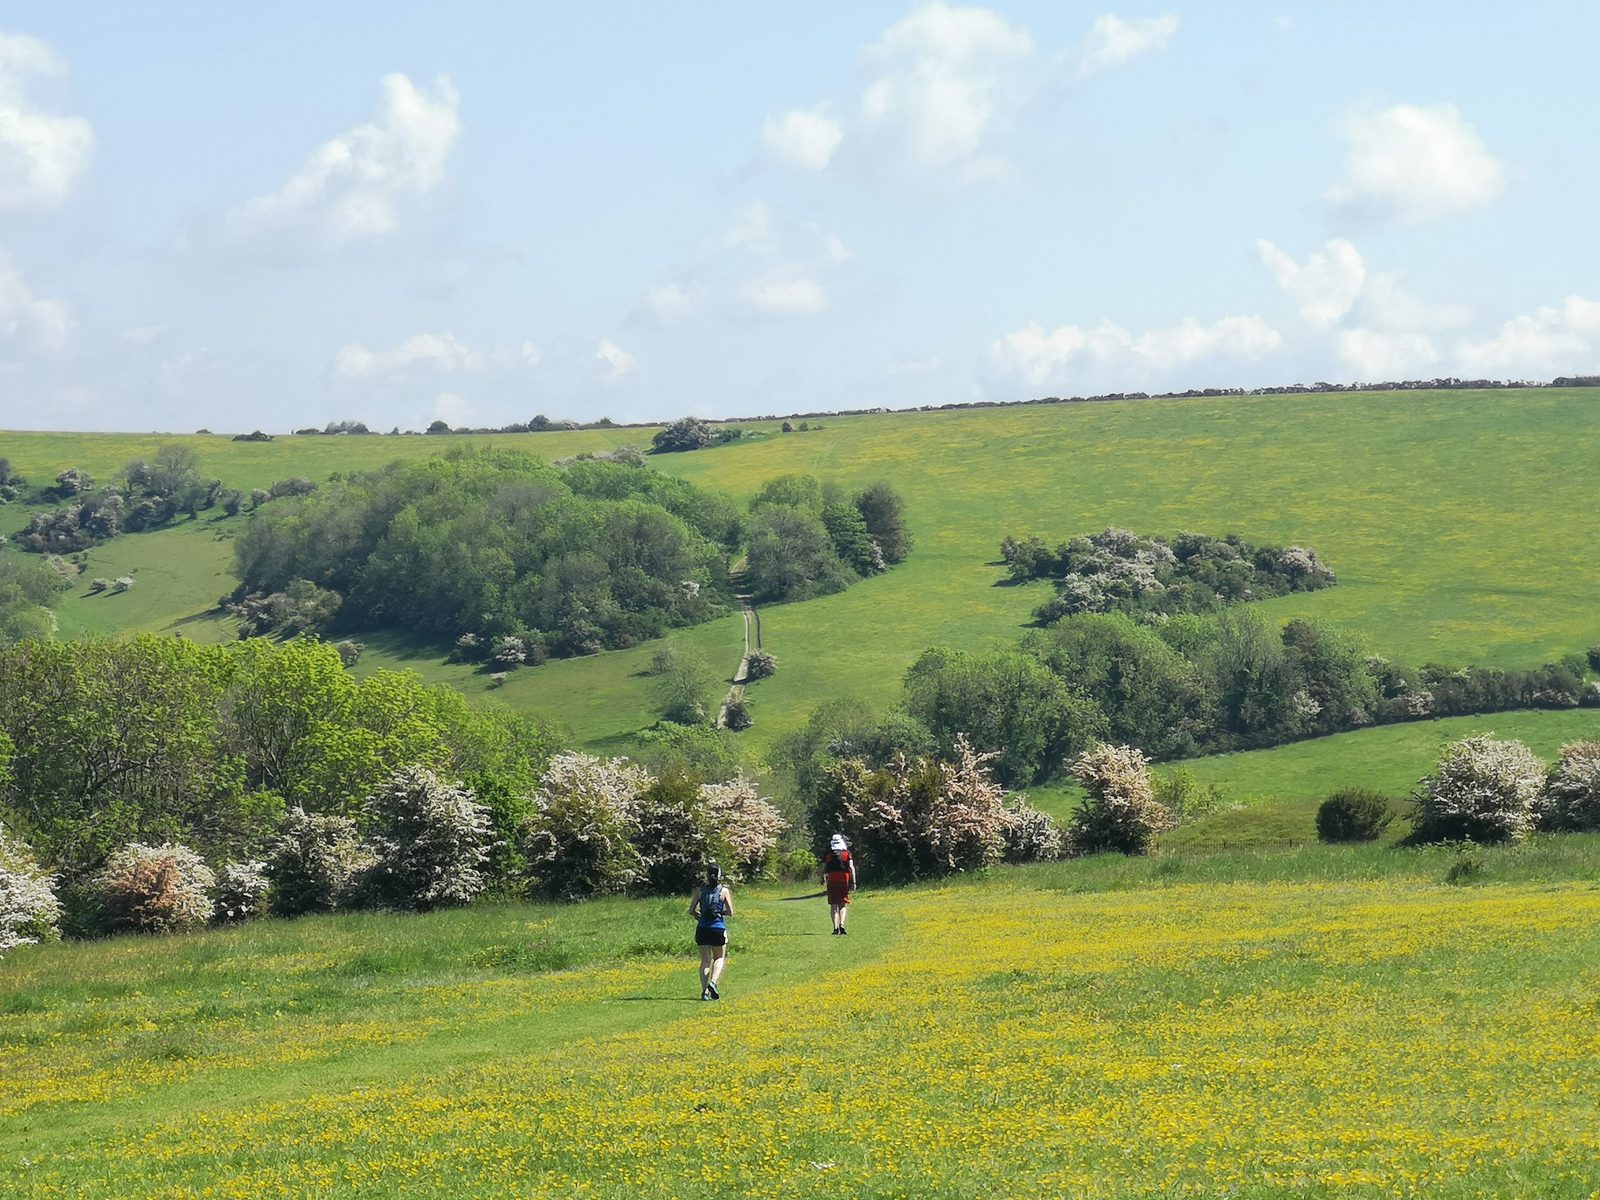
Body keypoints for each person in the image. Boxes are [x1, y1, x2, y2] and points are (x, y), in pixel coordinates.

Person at [689, 863, 734, 1000]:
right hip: (718, 928)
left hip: (702, 928)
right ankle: (713, 983)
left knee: (704, 961)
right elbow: (730, 912)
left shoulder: (699, 891)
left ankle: (704, 992)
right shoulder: (724, 891)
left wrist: (699, 916)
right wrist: (721, 913)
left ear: (707, 875)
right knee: (719, 958)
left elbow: (691, 911)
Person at [822, 833, 856, 935]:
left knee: (833, 905)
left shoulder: (829, 854)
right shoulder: (847, 853)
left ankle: (835, 928)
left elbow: (825, 867)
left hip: (832, 879)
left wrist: (823, 878)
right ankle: (842, 924)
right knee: (843, 904)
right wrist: (853, 881)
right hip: (844, 879)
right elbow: (851, 867)